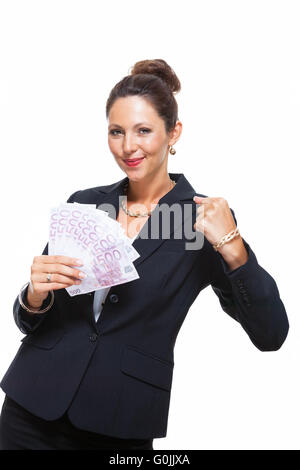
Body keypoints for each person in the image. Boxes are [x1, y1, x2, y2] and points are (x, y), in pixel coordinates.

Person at [0, 59, 289, 450]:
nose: (128, 146)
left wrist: (234, 248)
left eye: (143, 131)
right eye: (116, 131)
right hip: (29, 408)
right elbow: (30, 319)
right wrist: (33, 296)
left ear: (174, 133)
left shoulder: (198, 221)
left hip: (119, 422)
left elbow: (271, 334)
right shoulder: (85, 204)